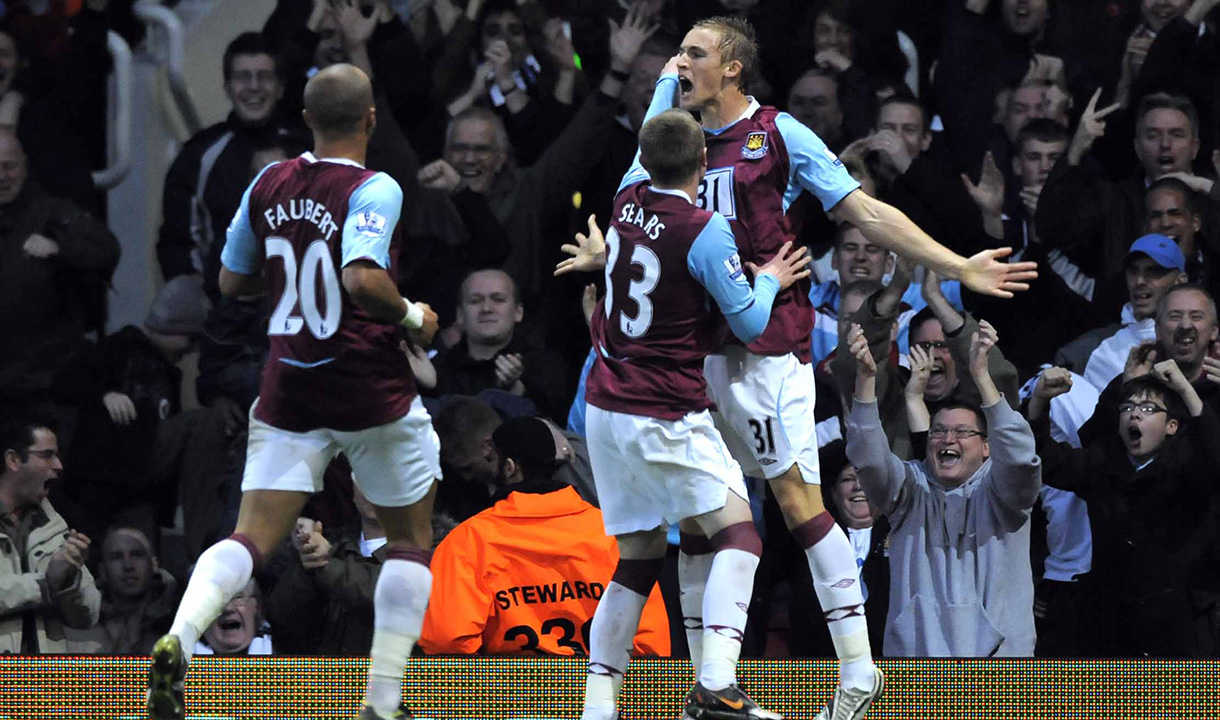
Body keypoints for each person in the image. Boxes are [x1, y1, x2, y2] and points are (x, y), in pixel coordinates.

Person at [637, 17, 1037, 715]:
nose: (679, 63)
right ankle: (706, 686)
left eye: (694, 54)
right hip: (695, 358)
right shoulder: (676, 146)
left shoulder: (779, 134)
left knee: (796, 504)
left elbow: (867, 212)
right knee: (702, 522)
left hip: (766, 356)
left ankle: (857, 673)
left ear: (731, 67)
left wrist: (954, 264)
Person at [146, 64, 442, 720]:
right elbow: (363, 280)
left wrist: (282, 279)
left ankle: (177, 640)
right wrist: (415, 318)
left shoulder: (267, 182)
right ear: (370, 118)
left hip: (288, 388)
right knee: (410, 540)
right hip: (368, 387)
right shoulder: (376, 187)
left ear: (306, 119)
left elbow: (229, 283)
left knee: (249, 538)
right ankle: (384, 701)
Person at [560, 106, 812, 720]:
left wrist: (666, 84)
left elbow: (648, 155)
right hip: (663, 409)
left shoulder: (624, 200)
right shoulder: (704, 229)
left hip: (605, 406)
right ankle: (717, 684)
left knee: (640, 555)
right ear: (704, 161)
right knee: (742, 536)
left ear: (644, 161)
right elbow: (750, 322)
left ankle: (598, 705)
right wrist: (773, 278)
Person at [845, 320, 1041, 656]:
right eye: (937, 431)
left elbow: (1021, 456)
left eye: (962, 432)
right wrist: (866, 381)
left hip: (996, 681)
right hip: (917, 674)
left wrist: (982, 376)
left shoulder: (1005, 494)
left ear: (986, 447)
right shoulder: (908, 491)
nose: (947, 439)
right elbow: (868, 457)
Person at [419, 415, 669, 655]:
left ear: (509, 468)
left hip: (509, 695)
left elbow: (447, 642)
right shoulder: (611, 536)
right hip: (601, 692)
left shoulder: (467, 542)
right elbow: (649, 641)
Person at [1030, 365, 1220, 655]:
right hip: (1113, 628)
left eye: (1148, 408)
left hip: (1181, 628)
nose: (1134, 413)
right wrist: (1039, 402)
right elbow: (1044, 459)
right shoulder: (1103, 463)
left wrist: (1185, 389)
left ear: (1171, 426)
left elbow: (1213, 454)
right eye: (1127, 407)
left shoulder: (1190, 466)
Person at [0, 128, 120, 409]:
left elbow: (106, 249)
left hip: (44, 387)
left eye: (9, 166)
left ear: (24, 165)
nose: (2, 176)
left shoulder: (51, 213)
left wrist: (59, 249)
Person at [0, 414, 101, 654]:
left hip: (43, 683)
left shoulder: (54, 525)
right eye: (46, 455)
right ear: (13, 460)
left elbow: (89, 614)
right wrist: (45, 585)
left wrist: (68, 581)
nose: (58, 465)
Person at [426, 268, 570, 420]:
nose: (486, 308)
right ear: (460, 315)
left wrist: (517, 390)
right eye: (475, 301)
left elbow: (559, 428)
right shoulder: (438, 369)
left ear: (518, 312)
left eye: (498, 299)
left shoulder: (545, 365)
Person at [66, 526, 177, 655]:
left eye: (137, 555)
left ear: (154, 565)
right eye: (116, 557)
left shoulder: (180, 618)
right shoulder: (82, 622)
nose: (128, 566)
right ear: (103, 571)